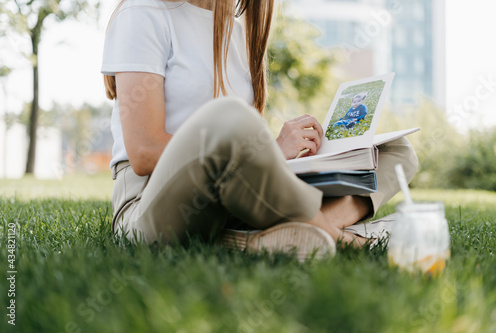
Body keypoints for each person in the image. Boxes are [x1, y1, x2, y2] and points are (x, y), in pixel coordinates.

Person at [101, 0, 418, 259]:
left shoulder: (235, 30)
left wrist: (284, 152)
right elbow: (143, 151)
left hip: (233, 195)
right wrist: (266, 151)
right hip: (153, 205)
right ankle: (342, 237)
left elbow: (241, 149)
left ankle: (258, 236)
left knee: (395, 151)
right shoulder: (143, 13)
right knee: (229, 116)